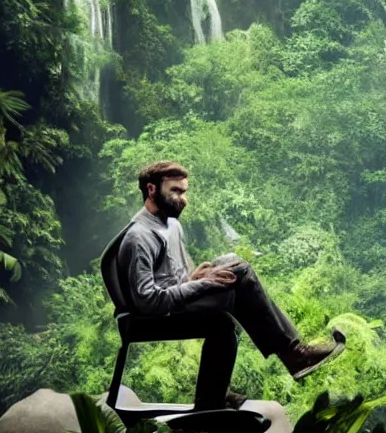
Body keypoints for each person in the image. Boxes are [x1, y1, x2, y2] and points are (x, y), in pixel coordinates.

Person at [117, 161, 345, 411]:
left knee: (228, 272)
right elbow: (148, 301)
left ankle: (212, 396)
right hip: (154, 315)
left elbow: (177, 281)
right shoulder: (139, 236)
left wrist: (196, 277)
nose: (184, 200)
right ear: (151, 189)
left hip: (175, 301)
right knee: (241, 274)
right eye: (176, 192)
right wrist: (203, 284)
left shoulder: (172, 226)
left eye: (185, 192)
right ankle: (294, 354)